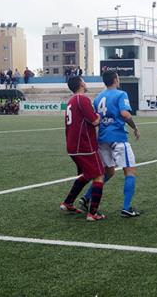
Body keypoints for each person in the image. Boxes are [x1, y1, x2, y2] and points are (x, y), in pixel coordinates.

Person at [80, 70, 141, 218]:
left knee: (108, 172)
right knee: (130, 171)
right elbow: (125, 114)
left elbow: (94, 118)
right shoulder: (121, 94)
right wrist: (135, 127)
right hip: (118, 137)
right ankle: (126, 208)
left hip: (102, 139)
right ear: (115, 79)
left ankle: (86, 198)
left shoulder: (99, 97)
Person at [60, 76, 106, 221]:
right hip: (84, 145)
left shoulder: (71, 100)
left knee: (87, 174)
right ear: (80, 84)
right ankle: (93, 213)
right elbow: (94, 121)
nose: (86, 83)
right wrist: (99, 115)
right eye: (84, 81)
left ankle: (67, 202)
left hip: (73, 145)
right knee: (99, 175)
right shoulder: (82, 99)